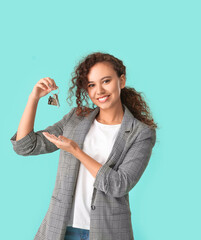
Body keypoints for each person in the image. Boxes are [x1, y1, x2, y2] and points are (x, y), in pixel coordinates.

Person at [10, 52, 158, 240]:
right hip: (61, 229)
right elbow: (25, 146)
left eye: (106, 81)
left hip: (108, 232)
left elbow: (118, 185)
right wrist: (34, 99)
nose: (99, 91)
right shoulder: (75, 119)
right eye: (91, 85)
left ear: (121, 81)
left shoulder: (141, 133)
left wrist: (76, 151)